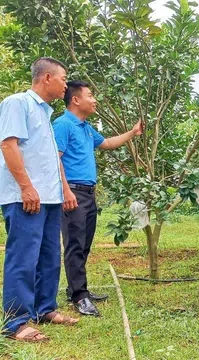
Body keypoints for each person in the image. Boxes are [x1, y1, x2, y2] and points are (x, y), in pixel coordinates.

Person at [0, 57, 79, 342]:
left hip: (49, 196)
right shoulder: (17, 103)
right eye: (63, 79)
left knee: (49, 256)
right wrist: (26, 187)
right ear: (47, 78)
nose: (66, 85)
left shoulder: (46, 115)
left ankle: (45, 309)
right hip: (26, 197)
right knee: (23, 257)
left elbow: (50, 158)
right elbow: (8, 145)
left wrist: (65, 190)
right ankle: (16, 322)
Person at [53, 80, 143, 317]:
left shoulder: (85, 127)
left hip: (87, 193)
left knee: (83, 243)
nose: (94, 100)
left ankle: (77, 289)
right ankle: (79, 297)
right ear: (76, 100)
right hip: (73, 192)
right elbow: (55, 159)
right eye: (90, 95)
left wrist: (133, 132)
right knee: (74, 244)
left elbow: (107, 144)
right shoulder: (63, 125)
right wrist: (65, 192)